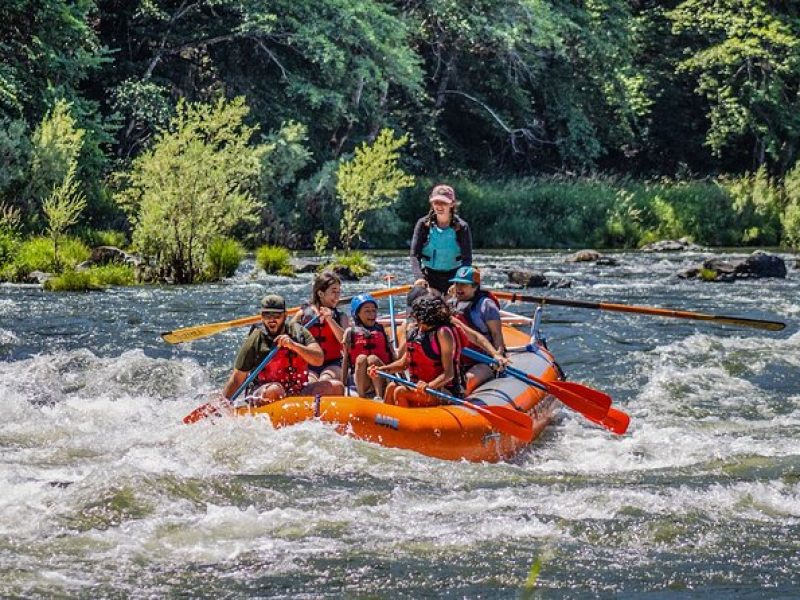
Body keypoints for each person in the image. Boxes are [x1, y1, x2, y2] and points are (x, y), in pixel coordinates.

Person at [222, 294, 343, 406]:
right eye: (267, 315)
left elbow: (318, 359)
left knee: (337, 387)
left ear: (285, 316)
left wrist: (294, 346)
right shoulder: (256, 339)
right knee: (276, 390)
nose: (272, 320)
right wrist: (223, 404)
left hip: (297, 391)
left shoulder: (298, 332)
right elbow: (237, 379)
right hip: (265, 392)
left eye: (276, 316)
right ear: (261, 317)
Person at [370, 295, 463, 407]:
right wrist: (381, 370)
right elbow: (403, 363)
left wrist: (429, 385)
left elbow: (449, 374)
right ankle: (384, 422)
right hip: (418, 387)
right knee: (391, 387)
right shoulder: (414, 332)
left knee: (400, 391)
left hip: (441, 390)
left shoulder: (442, 333)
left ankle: (404, 423)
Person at [449, 266, 506, 394]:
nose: (458, 288)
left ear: (474, 287)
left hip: (482, 360)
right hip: (458, 359)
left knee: (466, 382)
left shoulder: (486, 305)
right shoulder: (451, 303)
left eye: (463, 285)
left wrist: (498, 355)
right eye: (457, 283)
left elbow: (497, 335)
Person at [410, 183, 473, 294]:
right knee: (416, 302)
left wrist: (459, 282)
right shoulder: (422, 225)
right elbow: (414, 256)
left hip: (455, 277)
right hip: (429, 278)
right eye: (436, 202)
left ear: (452, 204)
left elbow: (467, 260)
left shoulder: (462, 227)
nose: (439, 206)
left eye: (443, 203)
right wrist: (419, 278)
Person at [291, 271, 350, 384]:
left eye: (339, 292)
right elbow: (289, 334)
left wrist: (330, 320)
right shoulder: (302, 314)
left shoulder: (341, 317)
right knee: (310, 382)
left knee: (325, 380)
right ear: (321, 294)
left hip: (333, 363)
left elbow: (346, 343)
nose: (337, 296)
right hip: (309, 364)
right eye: (333, 291)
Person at [341, 294, 395, 399]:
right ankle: (362, 396)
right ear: (357, 314)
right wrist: (342, 385)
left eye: (374, 310)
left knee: (372, 359)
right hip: (363, 381)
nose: (372, 314)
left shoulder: (381, 330)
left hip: (382, 378)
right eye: (367, 311)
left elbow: (392, 355)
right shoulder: (350, 333)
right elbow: (346, 360)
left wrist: (402, 380)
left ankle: (379, 396)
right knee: (361, 358)